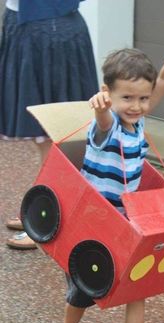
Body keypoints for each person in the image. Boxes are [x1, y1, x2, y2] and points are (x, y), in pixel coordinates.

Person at [57, 14, 164, 323]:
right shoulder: (109, 124)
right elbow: (104, 121)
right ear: (109, 91)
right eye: (127, 98)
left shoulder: (140, 119)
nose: (136, 105)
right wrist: (103, 109)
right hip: (93, 219)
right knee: (86, 286)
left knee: (137, 285)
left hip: (125, 218)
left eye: (143, 98)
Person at [0, 0, 98, 249]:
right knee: (43, 137)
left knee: (51, 136)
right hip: (30, 26)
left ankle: (45, 221)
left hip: (48, 33)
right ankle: (43, 211)